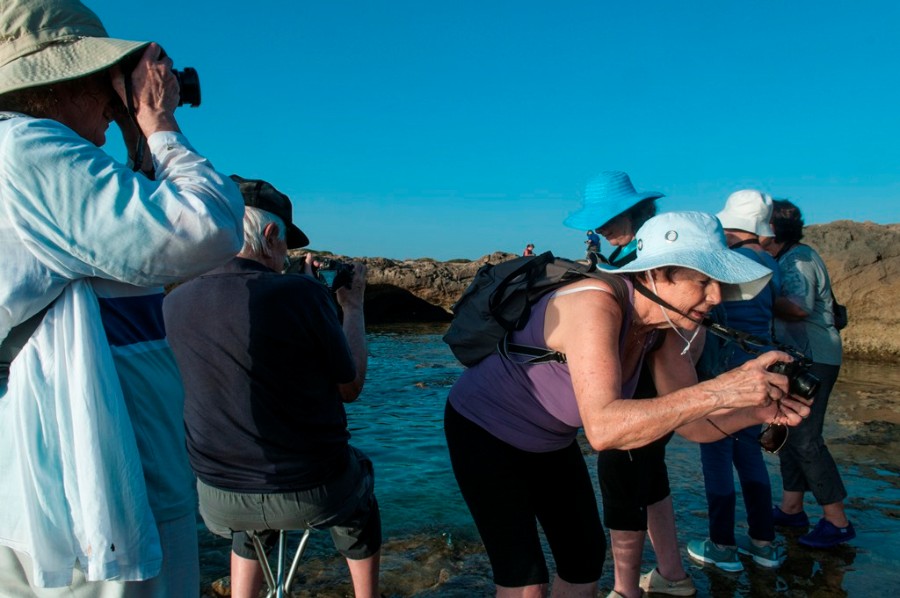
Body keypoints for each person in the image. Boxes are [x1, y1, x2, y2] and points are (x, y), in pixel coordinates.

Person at [0, 0, 245, 594]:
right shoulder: (27, 150)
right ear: (63, 82)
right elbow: (205, 228)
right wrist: (161, 126)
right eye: (105, 87)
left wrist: (140, 150)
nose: (115, 107)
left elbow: (132, 252)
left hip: (71, 484)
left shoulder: (34, 163)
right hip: (96, 494)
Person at [444, 211, 812, 598]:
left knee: (585, 562)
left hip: (551, 443)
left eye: (719, 282)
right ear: (658, 273)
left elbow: (692, 426)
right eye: (704, 281)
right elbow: (603, 430)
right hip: (483, 432)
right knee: (525, 582)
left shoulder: (668, 326)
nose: (716, 297)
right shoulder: (595, 304)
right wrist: (721, 389)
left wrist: (756, 412)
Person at [163, 175, 381, 598]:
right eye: (285, 244)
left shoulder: (175, 300)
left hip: (217, 497)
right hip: (314, 493)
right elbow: (350, 386)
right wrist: (351, 308)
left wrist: (302, 287)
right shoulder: (300, 295)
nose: (286, 255)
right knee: (359, 494)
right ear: (269, 234)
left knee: (251, 486)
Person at [565, 171, 694, 597]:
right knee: (651, 476)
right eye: (596, 220)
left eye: (608, 217)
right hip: (661, 382)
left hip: (641, 386)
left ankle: (625, 590)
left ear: (636, 212)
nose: (600, 226)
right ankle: (672, 573)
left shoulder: (641, 259)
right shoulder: (645, 251)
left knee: (621, 479)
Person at [687, 190, 785, 572]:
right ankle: (764, 542)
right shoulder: (771, 263)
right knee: (750, 456)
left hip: (725, 371)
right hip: (760, 368)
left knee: (715, 455)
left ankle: (723, 545)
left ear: (730, 227)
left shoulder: (726, 261)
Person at [762, 199, 855, 548]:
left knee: (806, 438)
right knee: (786, 429)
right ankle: (791, 509)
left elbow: (799, 309)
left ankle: (837, 522)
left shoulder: (798, 260)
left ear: (772, 231)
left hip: (815, 357)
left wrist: (756, 295)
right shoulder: (786, 256)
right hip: (801, 356)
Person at [565, 171, 662, 268]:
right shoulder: (618, 254)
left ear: (630, 212)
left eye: (604, 221)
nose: (598, 231)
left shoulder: (653, 253)